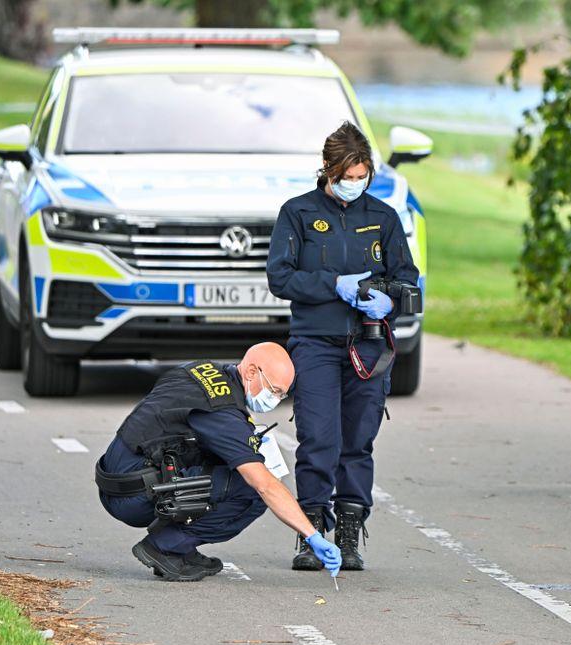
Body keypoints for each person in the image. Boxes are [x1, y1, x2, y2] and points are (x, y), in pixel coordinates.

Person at [266, 121, 419, 572]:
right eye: (345, 177)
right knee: (318, 439)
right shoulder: (296, 214)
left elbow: (409, 282)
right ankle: (310, 530)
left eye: (361, 177)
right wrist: (334, 285)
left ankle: (350, 530)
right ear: (327, 172)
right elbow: (280, 277)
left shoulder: (383, 218)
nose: (354, 185)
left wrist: (391, 297)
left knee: (357, 440)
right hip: (315, 342)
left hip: (369, 347)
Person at [94, 342, 342, 582]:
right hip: (133, 497)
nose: (275, 399)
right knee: (252, 491)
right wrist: (311, 535)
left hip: (116, 480)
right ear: (252, 371)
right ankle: (166, 547)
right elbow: (265, 485)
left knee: (223, 459)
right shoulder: (222, 413)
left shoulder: (199, 369)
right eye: (274, 390)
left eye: (282, 394)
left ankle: (181, 547)